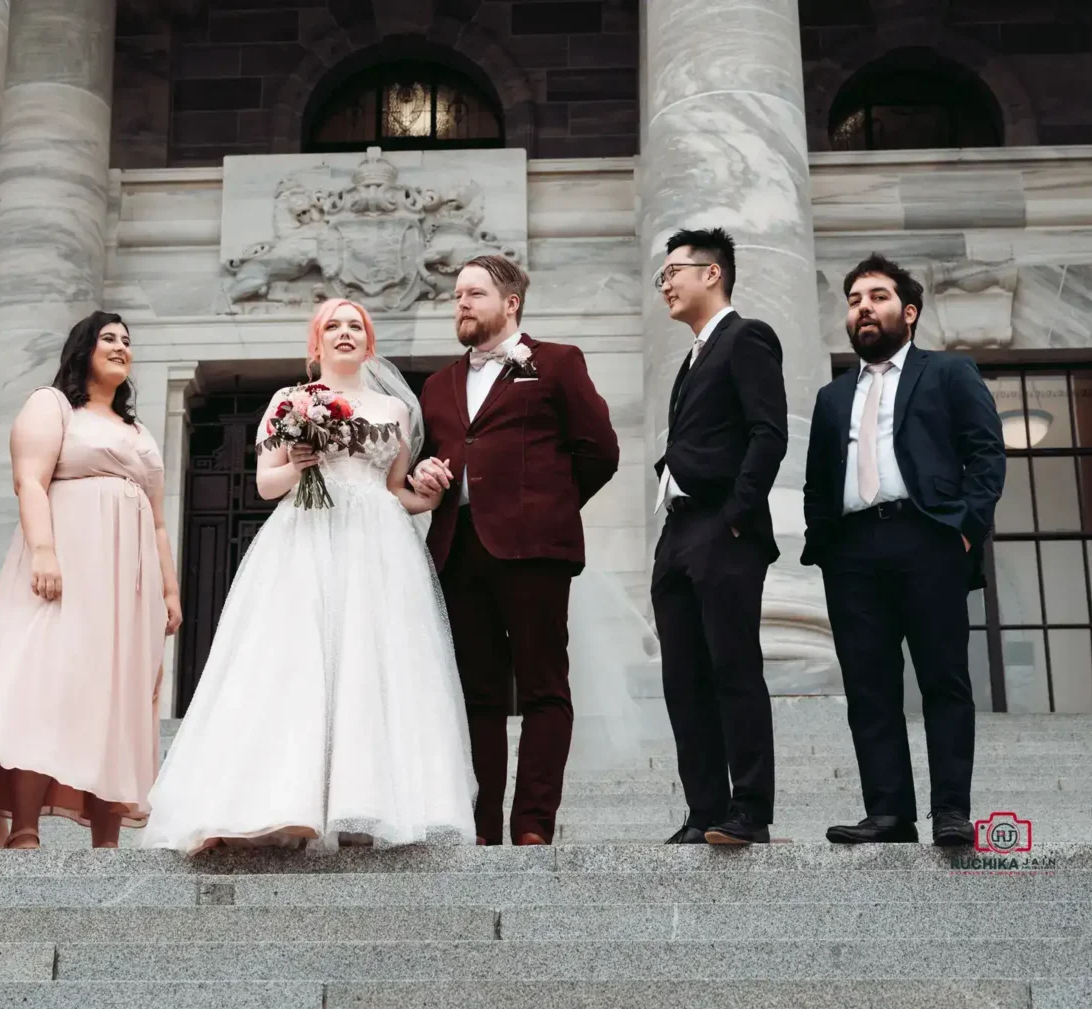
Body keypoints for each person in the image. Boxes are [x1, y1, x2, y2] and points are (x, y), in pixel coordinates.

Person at [139, 298, 476, 854]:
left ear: (370, 342)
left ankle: (366, 806)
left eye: (356, 326)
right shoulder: (289, 401)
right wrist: (297, 463)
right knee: (293, 662)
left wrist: (431, 495)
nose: (345, 333)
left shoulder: (396, 411)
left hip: (377, 546)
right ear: (314, 343)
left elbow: (396, 493)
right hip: (305, 537)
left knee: (371, 666)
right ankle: (279, 801)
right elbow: (266, 485)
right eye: (333, 326)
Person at [411, 255, 621, 847]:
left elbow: (599, 450)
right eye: (456, 296)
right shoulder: (437, 384)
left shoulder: (556, 361)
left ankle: (532, 826)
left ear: (511, 303)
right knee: (477, 694)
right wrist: (428, 472)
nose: (462, 304)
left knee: (542, 689)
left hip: (535, 552)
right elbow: (443, 452)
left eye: (474, 294)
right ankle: (481, 830)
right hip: (459, 549)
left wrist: (546, 506)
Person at [804, 254, 1004, 847]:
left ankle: (950, 811)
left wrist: (966, 527)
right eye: (854, 299)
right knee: (868, 686)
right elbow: (818, 477)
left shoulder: (948, 372)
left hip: (929, 539)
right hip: (853, 552)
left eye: (878, 296)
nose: (863, 307)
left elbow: (987, 455)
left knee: (943, 680)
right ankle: (889, 814)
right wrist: (825, 544)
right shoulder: (831, 397)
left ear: (908, 312)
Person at [0, 311, 182, 850]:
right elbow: (30, 482)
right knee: (47, 679)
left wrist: (169, 589)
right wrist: (44, 552)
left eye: (127, 341)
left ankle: (106, 835)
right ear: (83, 348)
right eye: (109, 338)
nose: (120, 347)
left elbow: (156, 518)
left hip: (128, 580)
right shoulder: (53, 405)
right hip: (67, 561)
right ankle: (26, 826)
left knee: (121, 692)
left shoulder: (138, 430)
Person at [650, 227, 787, 846]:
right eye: (663, 276)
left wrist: (736, 512)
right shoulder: (690, 356)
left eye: (673, 271)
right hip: (678, 532)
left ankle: (749, 811)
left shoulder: (746, 337)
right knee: (683, 677)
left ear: (712, 273)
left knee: (733, 669)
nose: (666, 285)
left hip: (723, 529)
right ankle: (703, 810)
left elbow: (768, 433)